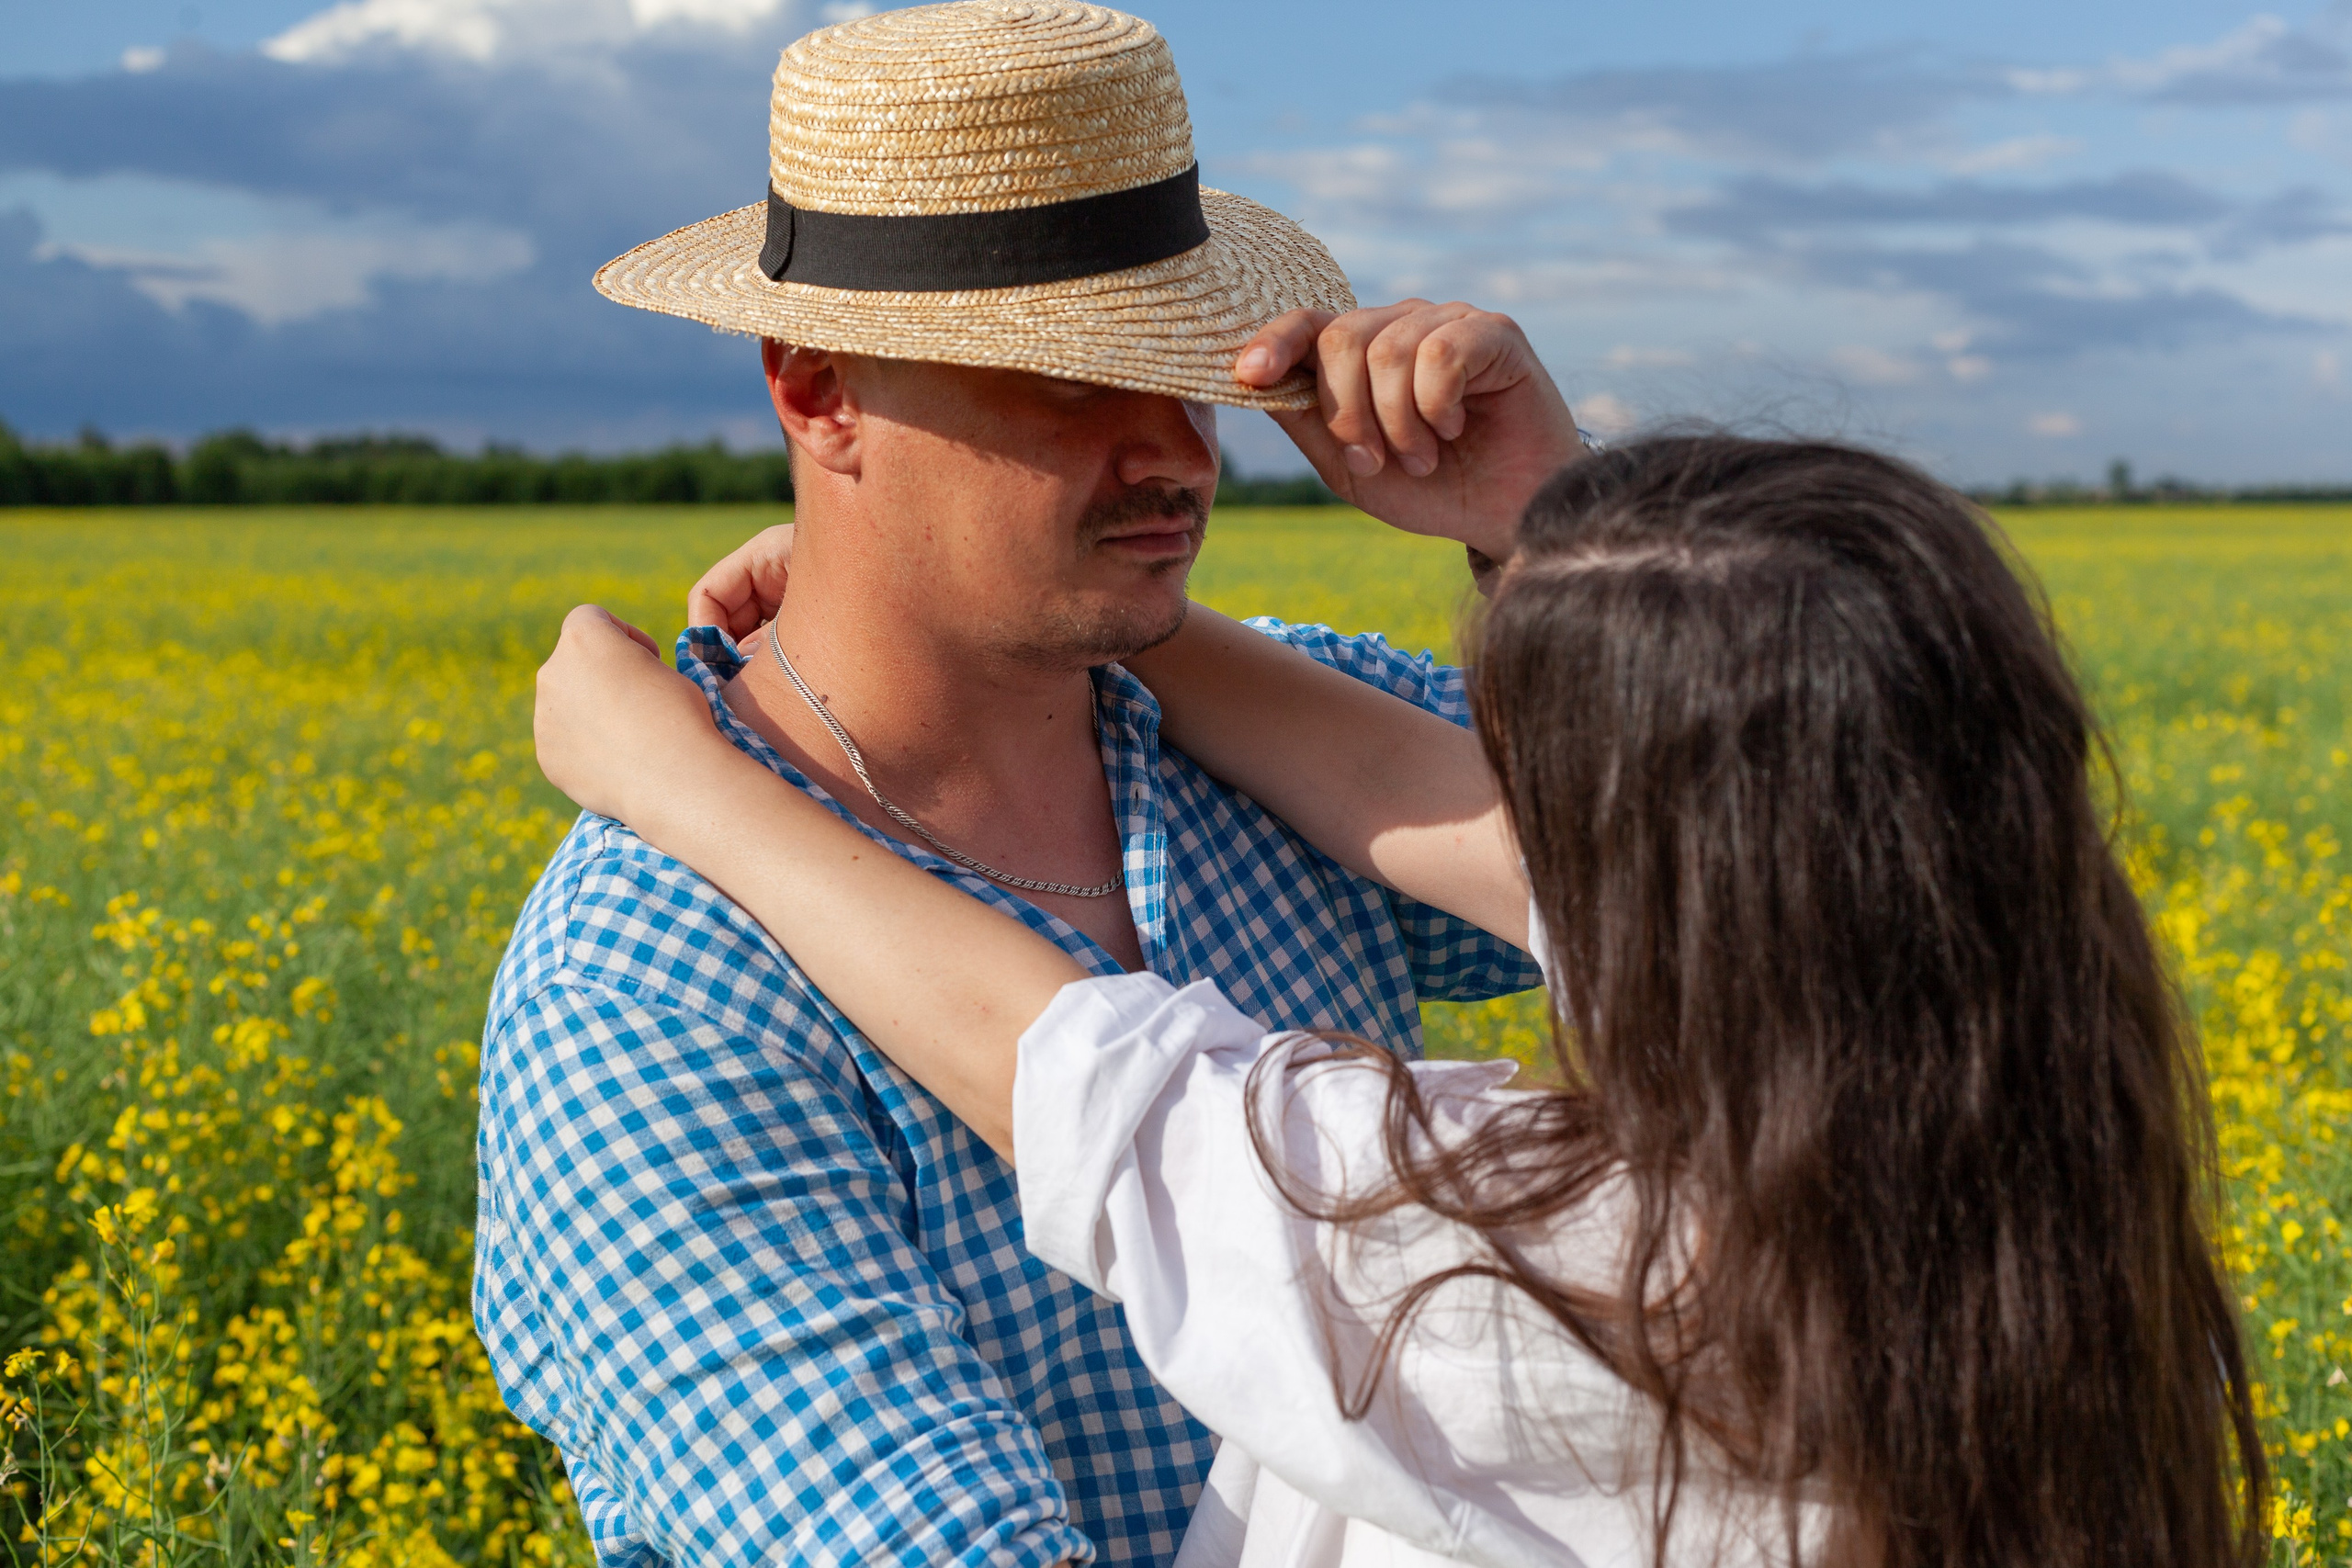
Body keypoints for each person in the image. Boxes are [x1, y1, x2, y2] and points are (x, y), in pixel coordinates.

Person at [530, 434, 2266, 1568]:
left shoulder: (1517, 1267)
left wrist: (681, 779)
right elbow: (1510, 823)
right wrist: (940, 555)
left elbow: (1079, 1073)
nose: (1180, 443)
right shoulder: (2065, 1204)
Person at [474, 4, 1577, 1563]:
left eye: (1187, 372)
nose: (1182, 453)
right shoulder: (653, 987)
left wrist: (1543, 533)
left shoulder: (1275, 734)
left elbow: (1709, 891)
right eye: (1070, 382)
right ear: (819, 392)